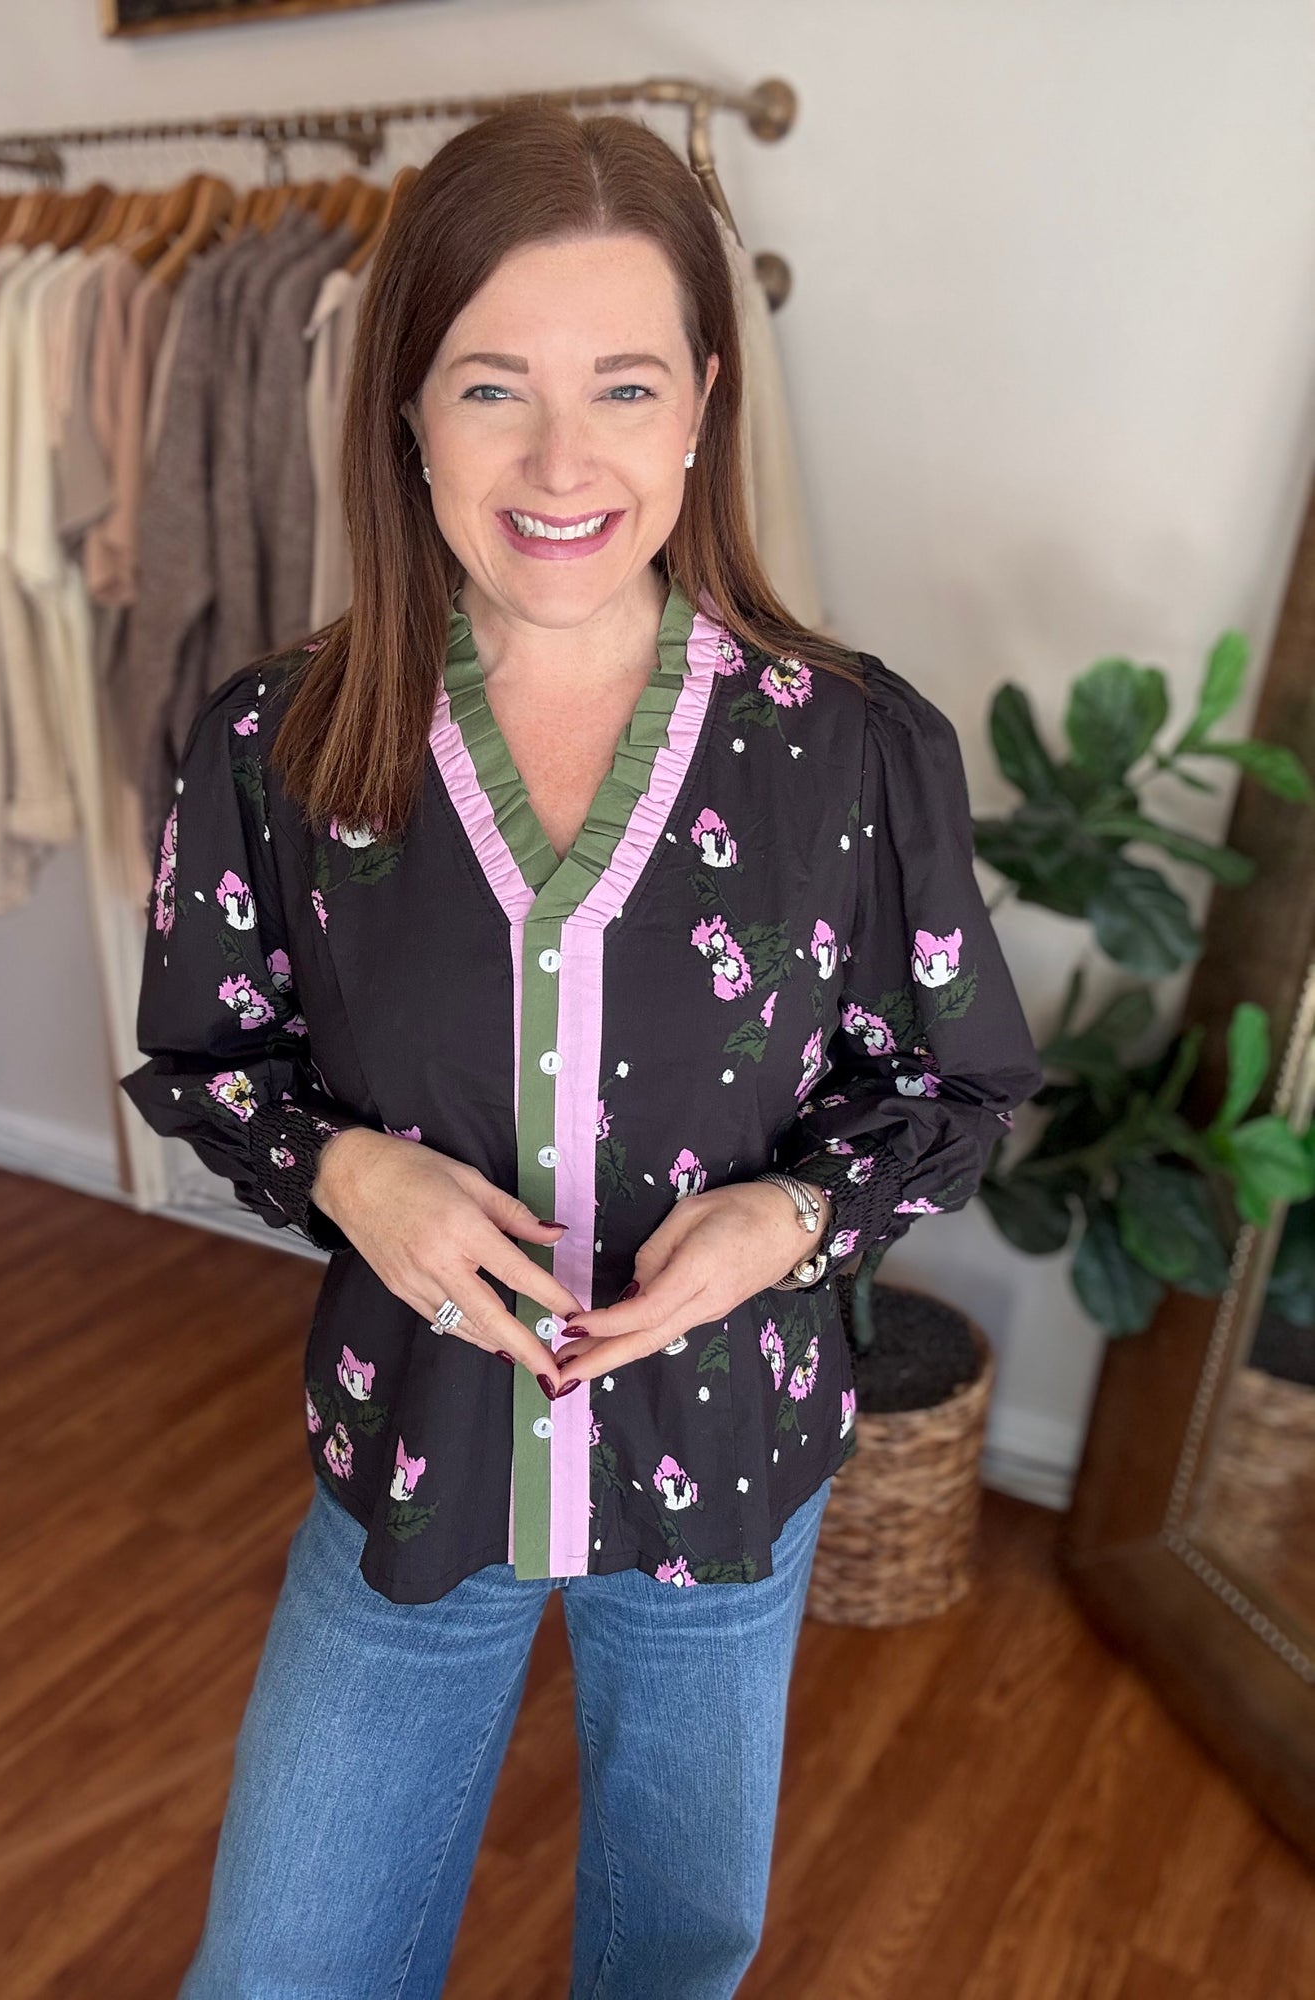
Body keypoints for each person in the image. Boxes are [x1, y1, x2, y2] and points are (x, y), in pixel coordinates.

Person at [120, 102, 1044, 2000]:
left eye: (624, 386)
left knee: (676, 1959)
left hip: (728, 1466)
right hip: (417, 1455)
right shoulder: (275, 746)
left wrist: (791, 1218)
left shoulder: (853, 749)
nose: (561, 461)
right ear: (406, 409)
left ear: (702, 402)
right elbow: (210, 1053)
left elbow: (954, 1083)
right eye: (492, 388)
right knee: (281, 1967)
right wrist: (345, 1169)